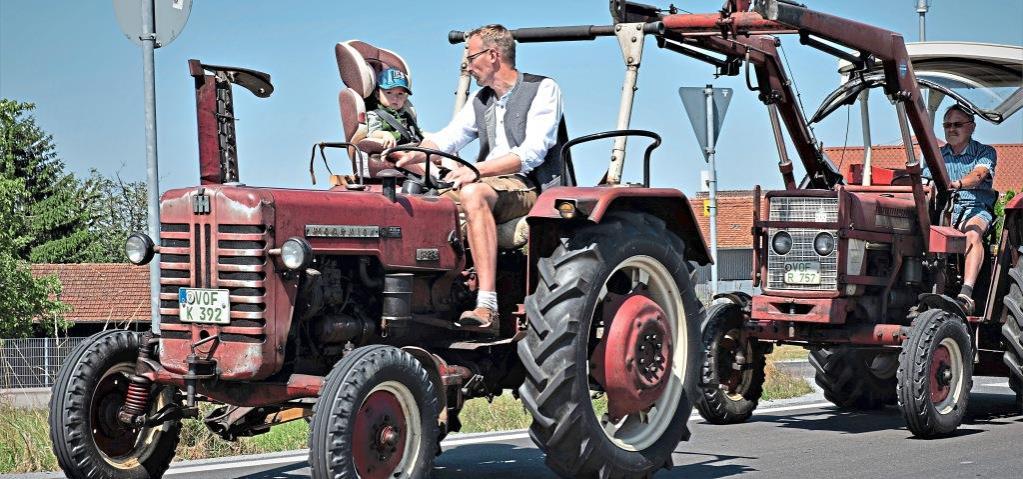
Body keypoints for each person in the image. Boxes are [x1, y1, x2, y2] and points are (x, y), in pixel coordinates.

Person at [394, 24, 566, 331]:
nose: (467, 66)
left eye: (471, 57)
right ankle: (425, 301)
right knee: (418, 206)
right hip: (487, 183)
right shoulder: (481, 100)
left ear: (493, 55)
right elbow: (448, 138)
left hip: (524, 185)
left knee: (473, 193)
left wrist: (476, 171)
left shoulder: (542, 89)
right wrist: (413, 154)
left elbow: (532, 153)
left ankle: (487, 305)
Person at [925, 104, 998, 313]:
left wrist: (956, 184)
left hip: (974, 207)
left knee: (972, 233)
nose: (951, 129)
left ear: (972, 127)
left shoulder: (985, 152)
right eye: (947, 125)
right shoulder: (936, 155)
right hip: (943, 210)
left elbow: (979, 175)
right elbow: (924, 182)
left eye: (957, 124)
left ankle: (966, 294)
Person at [365, 68, 423, 149]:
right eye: (389, 92)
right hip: (389, 151)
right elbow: (372, 133)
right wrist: (385, 134)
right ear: (377, 95)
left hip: (410, 150)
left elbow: (418, 134)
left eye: (400, 94)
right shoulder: (375, 114)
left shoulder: (406, 115)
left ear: (405, 97)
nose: (395, 98)